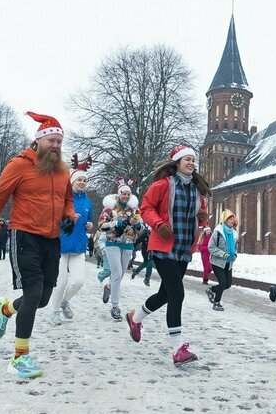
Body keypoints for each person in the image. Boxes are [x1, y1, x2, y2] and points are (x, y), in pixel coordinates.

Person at [0, 112, 75, 379]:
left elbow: (68, 198)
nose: (56, 146)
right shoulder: (19, 165)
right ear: (38, 141)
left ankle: (6, 309)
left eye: (60, 141)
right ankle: (19, 358)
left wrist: (69, 216)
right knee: (34, 293)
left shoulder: (62, 170)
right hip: (24, 236)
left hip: (52, 240)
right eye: (52, 141)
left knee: (44, 299)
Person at [125, 145, 209, 365]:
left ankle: (135, 318)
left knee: (165, 295)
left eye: (193, 160)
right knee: (177, 294)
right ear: (177, 163)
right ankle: (177, 348)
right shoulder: (162, 185)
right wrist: (158, 223)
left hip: (183, 249)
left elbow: (201, 217)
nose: (191, 163)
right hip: (163, 247)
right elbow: (146, 208)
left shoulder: (197, 190)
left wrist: (202, 216)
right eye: (187, 159)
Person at [48, 156, 93, 325]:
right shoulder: (63, 198)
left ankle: (64, 302)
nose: (81, 182)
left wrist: (89, 225)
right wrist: (68, 219)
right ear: (72, 181)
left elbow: (89, 220)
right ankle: (54, 312)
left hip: (78, 246)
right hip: (60, 245)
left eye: (84, 180)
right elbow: (53, 219)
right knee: (61, 282)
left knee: (78, 281)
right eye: (79, 180)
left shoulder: (87, 200)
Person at [98, 178, 143, 321]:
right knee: (117, 272)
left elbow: (141, 227)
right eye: (123, 194)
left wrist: (137, 225)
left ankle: (108, 287)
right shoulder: (109, 209)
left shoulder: (135, 210)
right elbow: (100, 225)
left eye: (128, 194)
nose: (126, 196)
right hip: (113, 243)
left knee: (120, 274)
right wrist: (116, 223)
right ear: (119, 194)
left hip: (128, 244)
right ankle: (115, 306)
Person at [205, 210, 238, 311]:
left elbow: (236, 247)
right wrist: (222, 254)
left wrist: (235, 254)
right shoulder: (218, 232)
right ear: (225, 220)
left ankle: (211, 290)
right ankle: (217, 303)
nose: (232, 221)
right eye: (230, 219)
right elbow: (211, 247)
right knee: (223, 282)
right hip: (218, 262)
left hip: (229, 262)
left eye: (233, 219)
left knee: (228, 284)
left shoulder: (234, 233)